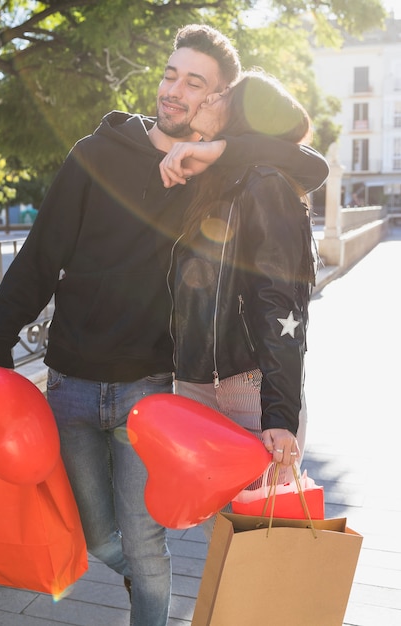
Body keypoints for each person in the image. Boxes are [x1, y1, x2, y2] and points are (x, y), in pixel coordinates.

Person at [0, 25, 328, 626]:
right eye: (171, 73)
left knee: (145, 547)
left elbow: (309, 165)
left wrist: (220, 150)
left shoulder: (213, 171)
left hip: (152, 392)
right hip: (70, 384)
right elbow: (40, 256)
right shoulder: (95, 155)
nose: (175, 90)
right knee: (100, 542)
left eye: (197, 84)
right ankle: (150, 595)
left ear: (218, 104)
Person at [161, 70, 320, 535]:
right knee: (233, 545)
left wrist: (280, 414)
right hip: (198, 387)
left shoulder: (265, 182)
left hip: (250, 391)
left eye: (224, 94)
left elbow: (281, 301)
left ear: (244, 117)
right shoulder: (210, 182)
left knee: (265, 546)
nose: (210, 96)